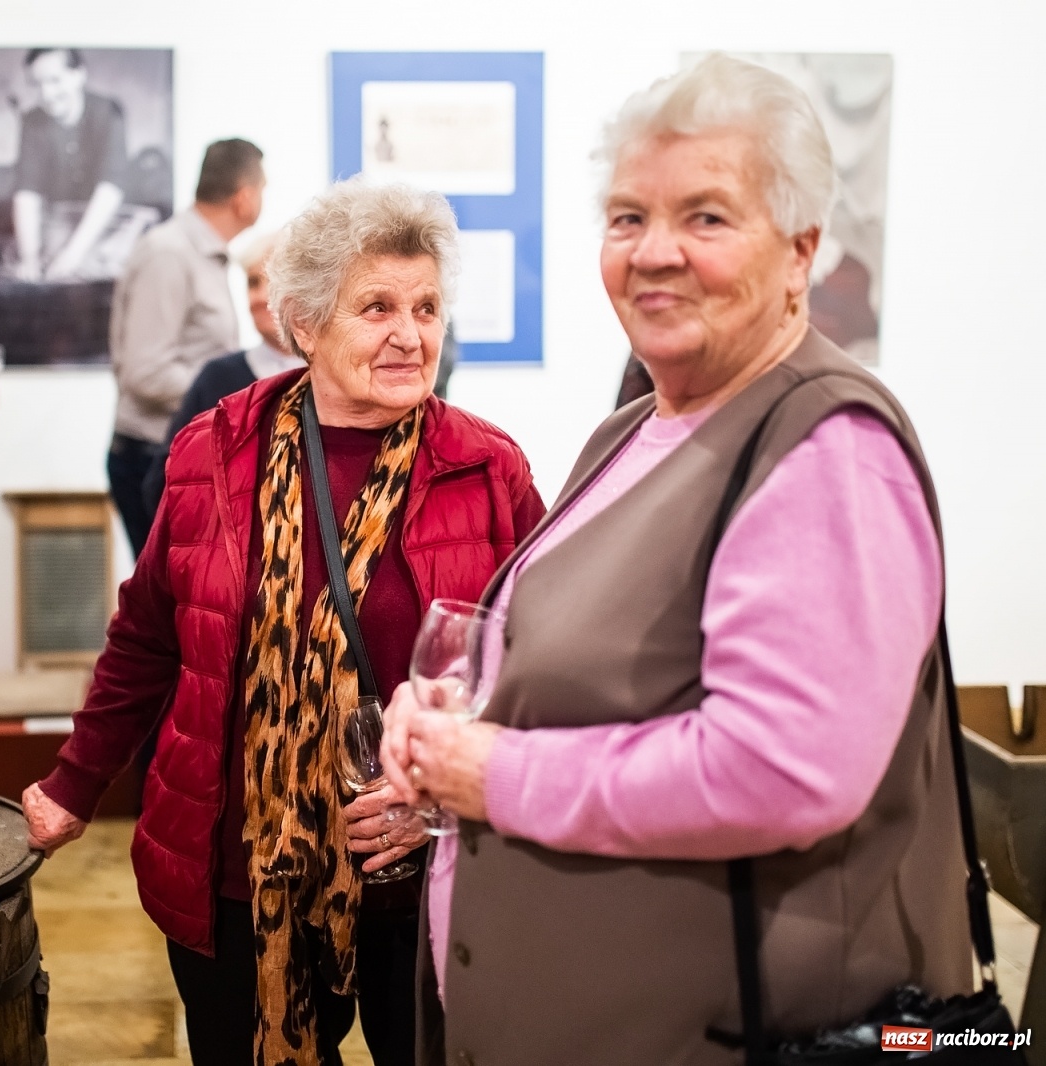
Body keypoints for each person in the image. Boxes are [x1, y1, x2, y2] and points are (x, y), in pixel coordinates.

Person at [381, 54, 970, 1065]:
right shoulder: (637, 429)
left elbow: (778, 769)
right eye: (625, 218)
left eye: (705, 217)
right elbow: (597, 663)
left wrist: (496, 769)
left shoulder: (824, 449)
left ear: (801, 252)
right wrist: (451, 710)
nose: (654, 252)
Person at [24, 180, 545, 1066]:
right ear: (302, 324)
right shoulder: (211, 450)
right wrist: (74, 785)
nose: (411, 334)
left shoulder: (486, 467)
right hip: (239, 877)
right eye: (376, 306)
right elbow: (149, 635)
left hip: (418, 883)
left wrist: (451, 800)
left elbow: (540, 662)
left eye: (426, 306)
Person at [107, 137, 264, 556]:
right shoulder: (170, 254)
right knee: (170, 613)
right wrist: (236, 400)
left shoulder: (204, 254)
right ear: (245, 197)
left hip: (179, 456)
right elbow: (145, 372)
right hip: (152, 462)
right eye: (263, 189)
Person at [140, 228, 301, 514]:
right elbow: (166, 482)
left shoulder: (337, 379)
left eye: (275, 282)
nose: (261, 296)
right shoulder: (217, 379)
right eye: (253, 283)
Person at [12, 48, 128, 283]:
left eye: (55, 80)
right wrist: (29, 258)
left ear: (79, 75)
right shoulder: (32, 121)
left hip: (109, 218)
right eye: (37, 84)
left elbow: (111, 188)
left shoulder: (108, 112)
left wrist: (72, 255)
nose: (46, 93)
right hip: (58, 217)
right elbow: (27, 192)